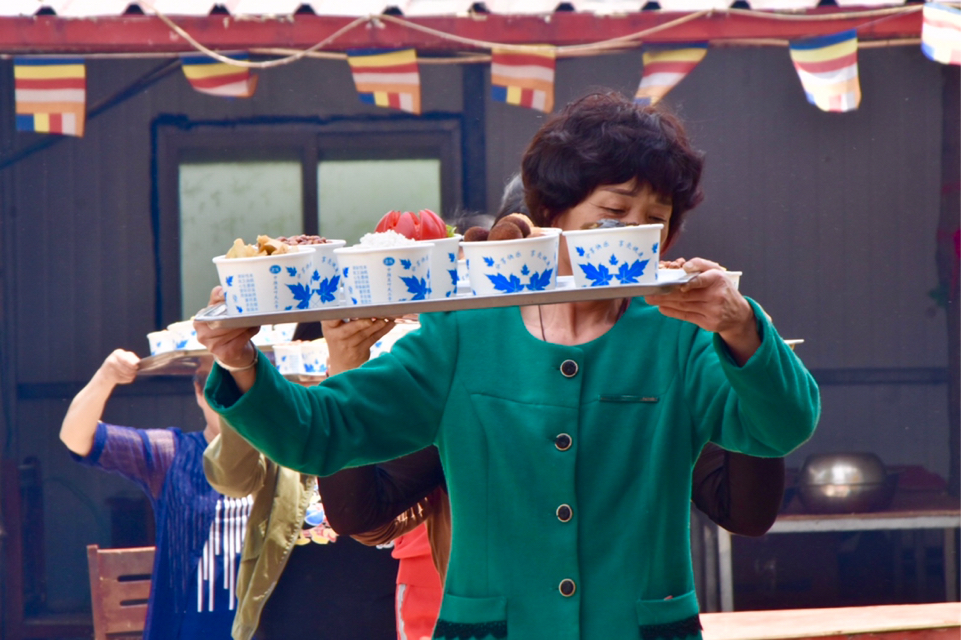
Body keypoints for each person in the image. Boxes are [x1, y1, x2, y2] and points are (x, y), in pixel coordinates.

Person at [196, 91, 820, 639]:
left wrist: (740, 326)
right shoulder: (463, 332)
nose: (634, 234)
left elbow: (779, 427)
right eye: (614, 213)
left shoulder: (683, 335)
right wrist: (241, 361)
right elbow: (323, 432)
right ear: (551, 216)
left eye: (654, 221)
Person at [202, 318, 405, 640]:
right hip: (289, 621)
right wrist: (237, 370)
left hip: (383, 621)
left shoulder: (401, 426)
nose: (327, 369)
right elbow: (230, 479)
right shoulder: (281, 429)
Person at [60, 349, 245, 640]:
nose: (231, 398)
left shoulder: (284, 459)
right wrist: (107, 375)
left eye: (242, 383)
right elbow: (75, 437)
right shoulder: (171, 454)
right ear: (198, 390)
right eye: (217, 385)